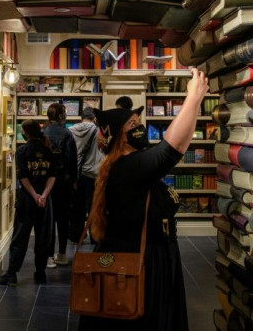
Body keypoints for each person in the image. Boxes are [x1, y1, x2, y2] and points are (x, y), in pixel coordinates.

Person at [77, 67, 209, 331]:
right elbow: (172, 149)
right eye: (133, 126)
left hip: (152, 257)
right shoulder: (128, 166)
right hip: (141, 261)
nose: (140, 129)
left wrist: (194, 103)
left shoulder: (129, 163)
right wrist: (192, 99)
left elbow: (177, 148)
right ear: (118, 135)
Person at [0, 120, 56, 286]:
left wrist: (35, 195)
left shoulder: (22, 151)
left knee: (20, 237)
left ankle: (11, 275)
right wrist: (43, 195)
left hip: (27, 200)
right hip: (45, 201)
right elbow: (52, 176)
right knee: (43, 237)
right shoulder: (48, 150)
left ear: (26, 133)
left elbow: (23, 177)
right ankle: (40, 273)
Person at [42, 102, 78, 267]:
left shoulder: (43, 133)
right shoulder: (67, 134)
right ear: (61, 115)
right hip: (63, 181)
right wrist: (74, 180)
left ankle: (48, 256)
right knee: (63, 219)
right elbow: (72, 160)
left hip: (46, 182)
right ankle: (62, 254)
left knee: (48, 219)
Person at [68, 107, 104, 243]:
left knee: (77, 207)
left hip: (76, 174)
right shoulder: (98, 131)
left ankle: (76, 236)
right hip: (93, 174)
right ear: (94, 118)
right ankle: (94, 236)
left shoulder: (71, 130)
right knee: (93, 206)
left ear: (81, 117)